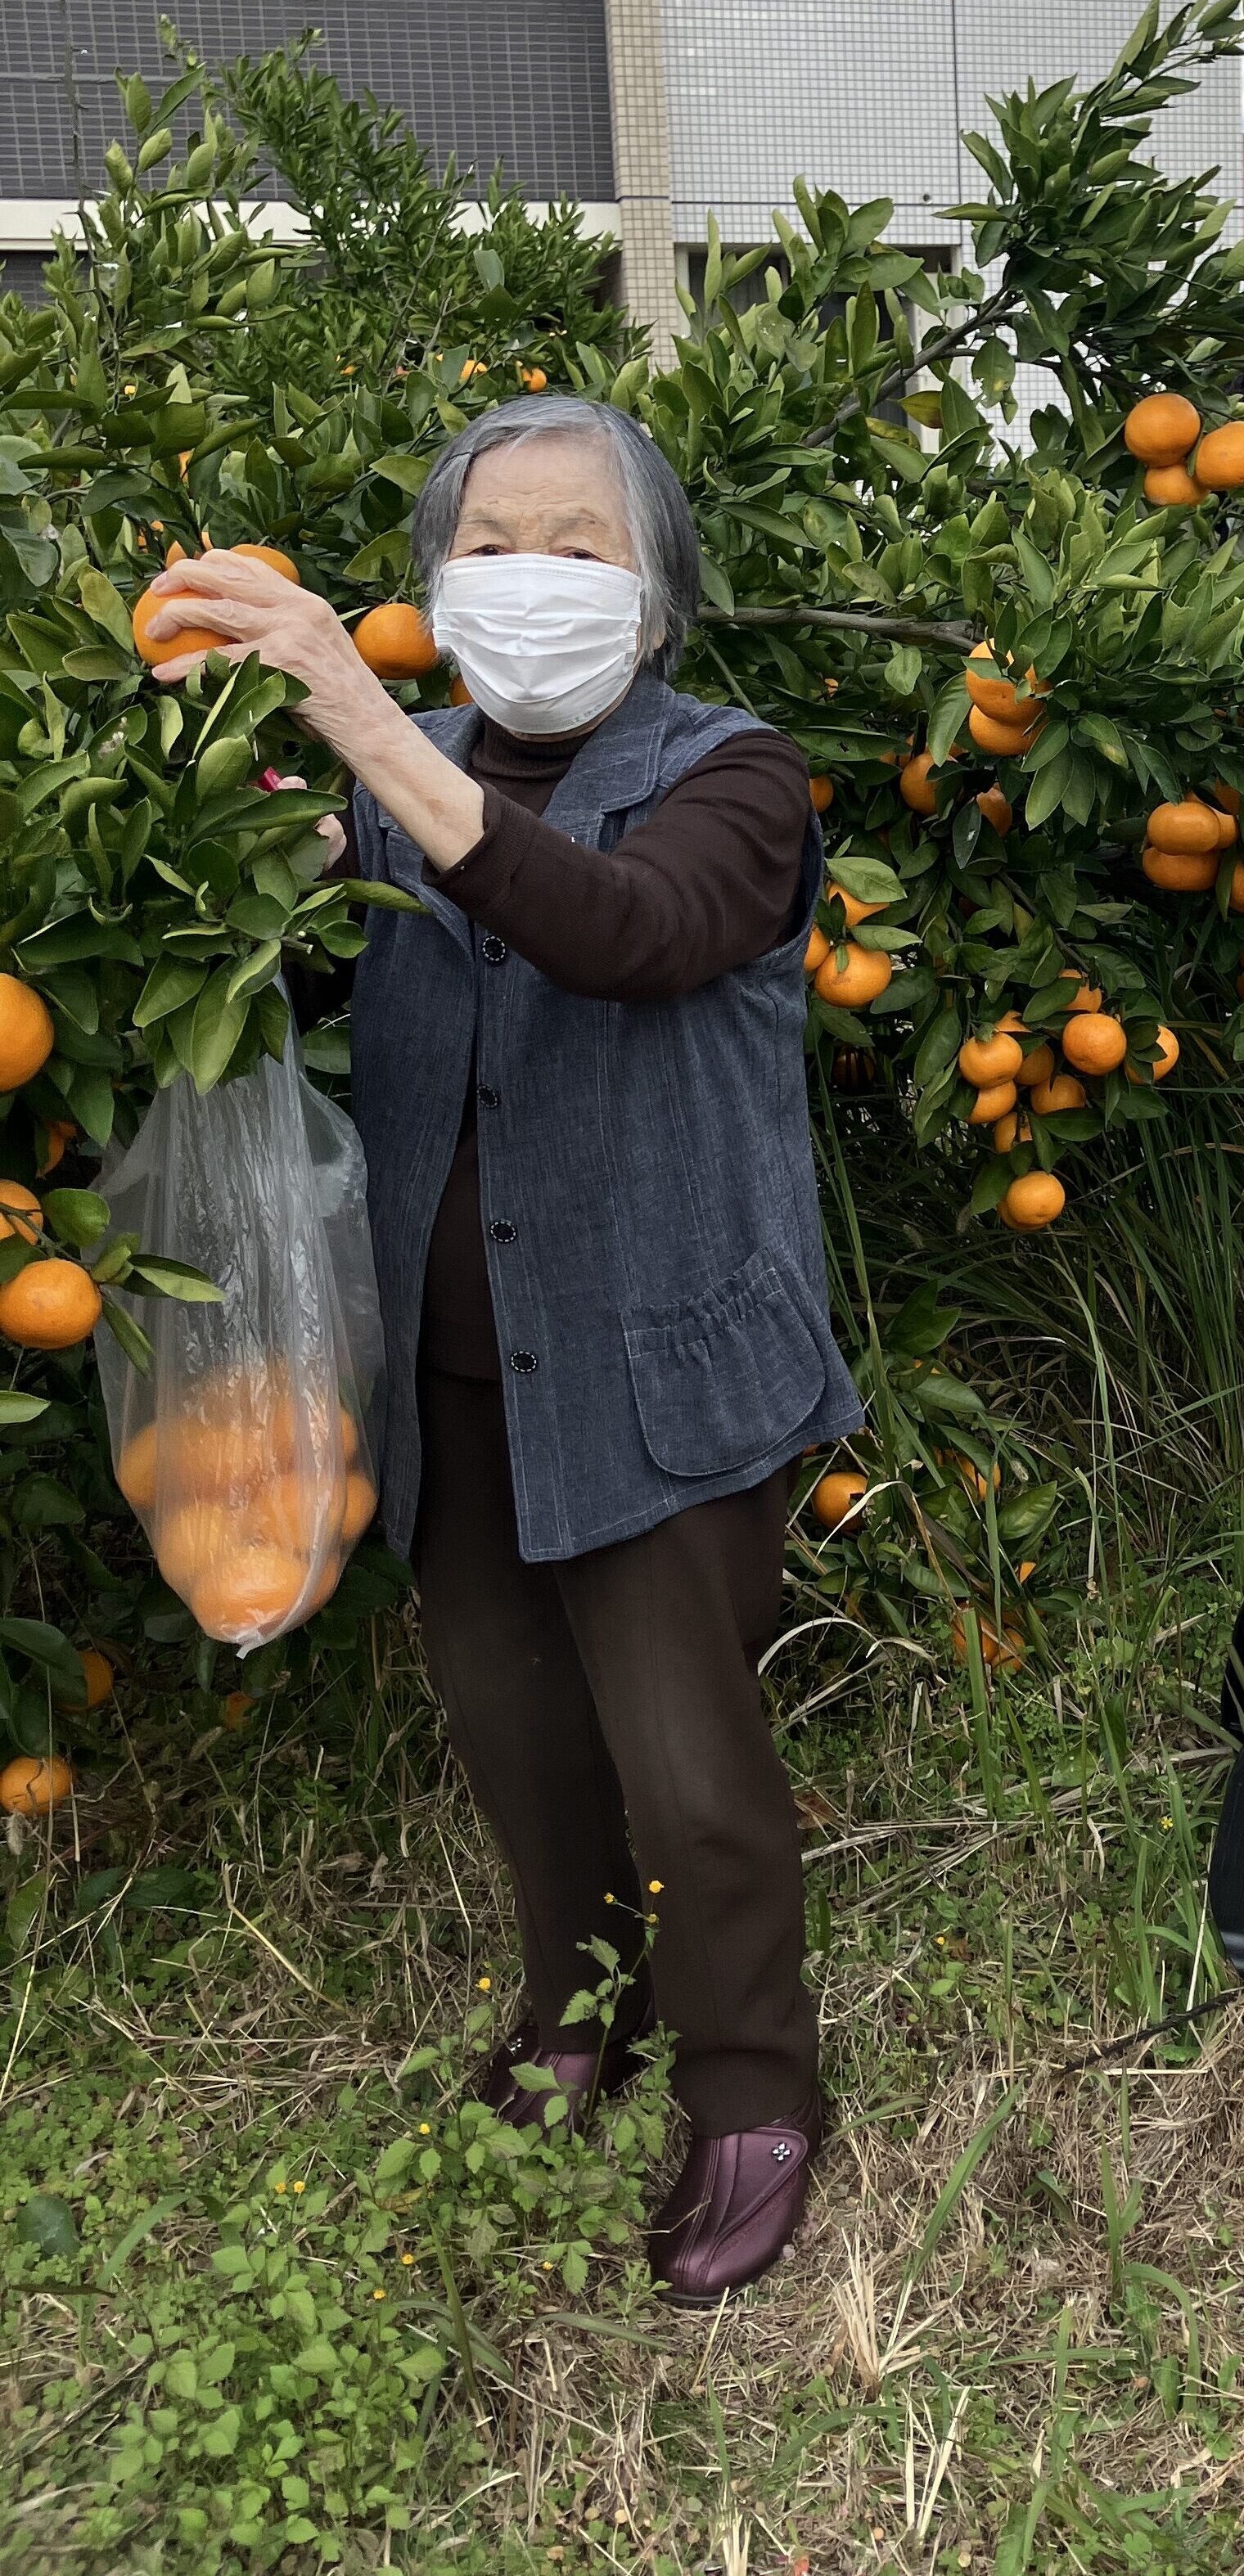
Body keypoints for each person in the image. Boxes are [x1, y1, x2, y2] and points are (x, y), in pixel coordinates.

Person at [139, 395, 861, 2304]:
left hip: (657, 1366)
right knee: (516, 1729)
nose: (531, 575)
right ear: (437, 581)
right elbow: (286, 950)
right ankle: (576, 2007)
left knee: (688, 1762)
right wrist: (213, 803)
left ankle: (753, 2083)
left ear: (658, 592)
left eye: (580, 544)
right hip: (452, 1371)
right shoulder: (397, 777)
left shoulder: (735, 779)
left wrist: (357, 717)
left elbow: (626, 932)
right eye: (492, 542)